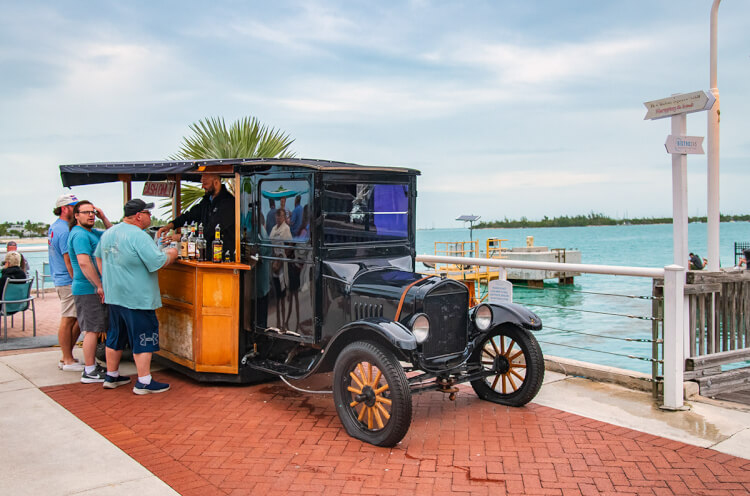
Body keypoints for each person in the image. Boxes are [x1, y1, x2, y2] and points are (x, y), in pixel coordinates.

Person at [96, 199, 178, 393]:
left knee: (115, 336)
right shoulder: (139, 236)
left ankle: (112, 375)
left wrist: (106, 281)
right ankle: (144, 381)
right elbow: (157, 261)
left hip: (114, 296)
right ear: (139, 216)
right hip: (137, 297)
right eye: (148, 213)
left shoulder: (109, 233)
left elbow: (98, 256)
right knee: (144, 337)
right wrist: (173, 253)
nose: (150, 216)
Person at [67, 200, 113, 384]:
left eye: (93, 212)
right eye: (86, 212)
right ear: (76, 216)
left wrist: (104, 217)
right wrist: (98, 286)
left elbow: (113, 235)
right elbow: (84, 262)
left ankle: (92, 366)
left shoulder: (90, 232)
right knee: (92, 330)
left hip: (92, 288)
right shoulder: (79, 235)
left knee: (95, 327)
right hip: (88, 289)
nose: (91, 215)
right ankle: (89, 370)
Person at [156, 173, 235, 259]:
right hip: (205, 254)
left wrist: (182, 237)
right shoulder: (206, 201)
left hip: (223, 256)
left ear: (216, 183)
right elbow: (189, 215)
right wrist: (170, 225)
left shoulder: (228, 203)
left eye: (205, 184)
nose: (202, 187)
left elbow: (211, 230)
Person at [48, 193, 83, 371]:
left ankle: (66, 356)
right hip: (67, 280)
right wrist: (77, 280)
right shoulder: (63, 230)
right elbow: (69, 259)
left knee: (76, 318)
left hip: (61, 278)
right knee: (69, 318)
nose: (77, 210)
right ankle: (67, 358)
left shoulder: (55, 227)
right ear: (64, 208)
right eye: (74, 207)